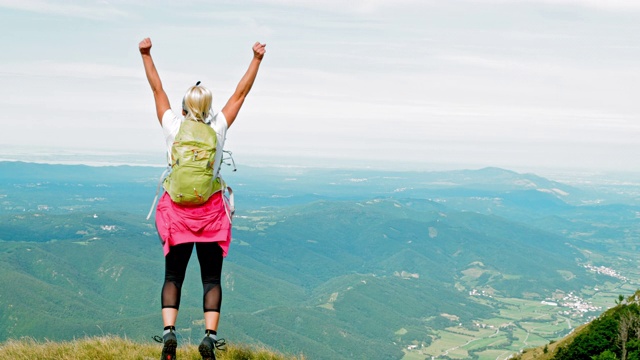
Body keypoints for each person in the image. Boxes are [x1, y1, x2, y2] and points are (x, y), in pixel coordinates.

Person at [139, 37, 266, 360]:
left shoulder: (173, 126)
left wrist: (146, 55)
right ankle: (209, 338)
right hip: (210, 216)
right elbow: (241, 93)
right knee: (211, 278)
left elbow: (157, 90)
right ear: (208, 108)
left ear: (184, 107)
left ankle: (169, 333)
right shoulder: (218, 128)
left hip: (177, 214)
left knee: (173, 276)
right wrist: (256, 60)